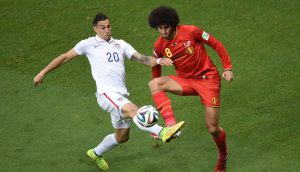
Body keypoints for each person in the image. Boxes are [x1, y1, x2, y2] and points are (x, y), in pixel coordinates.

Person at [33, 12, 185, 171]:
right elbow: (64, 57)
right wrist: (42, 72)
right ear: (95, 29)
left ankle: (95, 153)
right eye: (102, 27)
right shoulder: (88, 44)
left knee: (122, 137)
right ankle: (163, 132)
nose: (107, 30)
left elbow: (142, 59)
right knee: (133, 110)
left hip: (120, 95)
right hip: (106, 94)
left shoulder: (120, 44)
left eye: (109, 26)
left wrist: (160, 60)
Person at [147, 6, 233, 172]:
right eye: (160, 28)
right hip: (186, 81)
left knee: (213, 128)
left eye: (166, 27)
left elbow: (215, 44)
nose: (163, 32)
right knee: (154, 84)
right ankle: (170, 124)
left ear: (173, 25)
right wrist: (157, 86)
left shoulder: (191, 31)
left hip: (208, 79)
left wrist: (227, 68)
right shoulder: (159, 46)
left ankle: (223, 157)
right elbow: (156, 71)